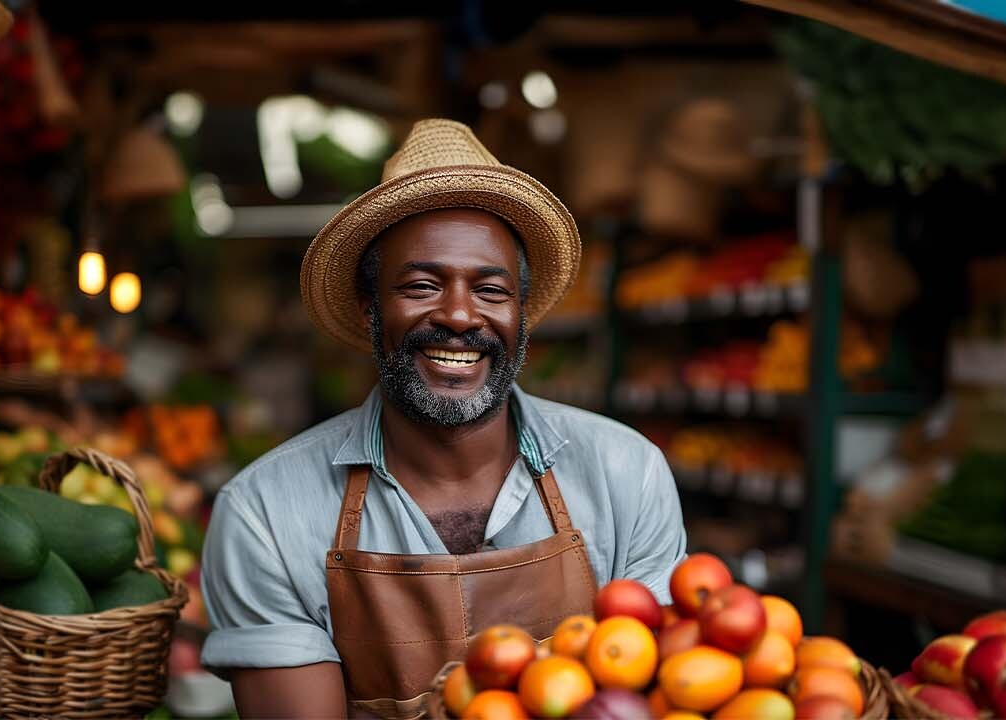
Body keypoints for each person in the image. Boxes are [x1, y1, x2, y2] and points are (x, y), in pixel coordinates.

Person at [200, 119, 687, 718]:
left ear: (521, 314)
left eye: (490, 291)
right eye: (423, 285)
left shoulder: (625, 474)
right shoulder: (267, 513)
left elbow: (664, 693)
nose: (459, 315)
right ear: (370, 307)